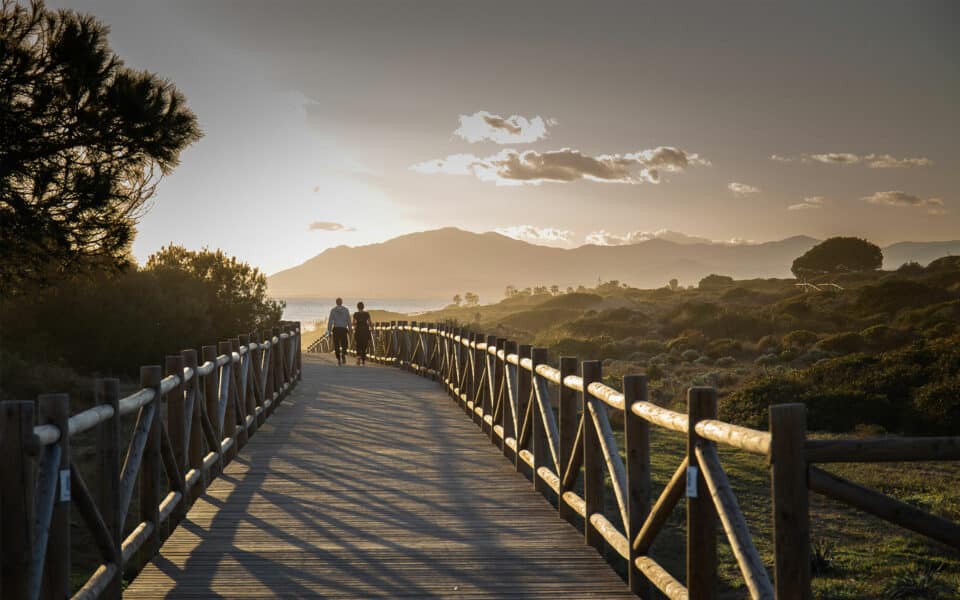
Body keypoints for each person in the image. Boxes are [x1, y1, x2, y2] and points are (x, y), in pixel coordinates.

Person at [326, 297, 351, 365]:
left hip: (336, 329)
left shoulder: (333, 310)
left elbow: (330, 321)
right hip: (343, 329)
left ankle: (338, 359)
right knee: (344, 344)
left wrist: (329, 331)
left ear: (336, 302)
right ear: (341, 302)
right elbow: (348, 320)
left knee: (336, 344)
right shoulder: (346, 310)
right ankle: (343, 354)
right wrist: (350, 329)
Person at [353, 301, 371, 365]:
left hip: (358, 331)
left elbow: (354, 323)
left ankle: (358, 359)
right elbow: (369, 322)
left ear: (357, 307)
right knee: (364, 345)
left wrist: (355, 327)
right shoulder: (367, 314)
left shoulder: (355, 314)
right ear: (363, 307)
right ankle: (363, 360)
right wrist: (372, 328)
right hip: (365, 331)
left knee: (358, 344)